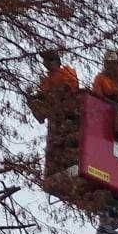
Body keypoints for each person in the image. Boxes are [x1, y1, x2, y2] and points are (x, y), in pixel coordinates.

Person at [26, 49, 82, 189]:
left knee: (68, 140)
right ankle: (58, 172)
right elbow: (45, 96)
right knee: (56, 145)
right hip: (56, 118)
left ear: (55, 61)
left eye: (47, 60)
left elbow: (70, 88)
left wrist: (50, 95)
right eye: (44, 61)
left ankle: (74, 165)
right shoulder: (46, 80)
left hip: (69, 114)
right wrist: (37, 99)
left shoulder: (66, 72)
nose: (45, 63)